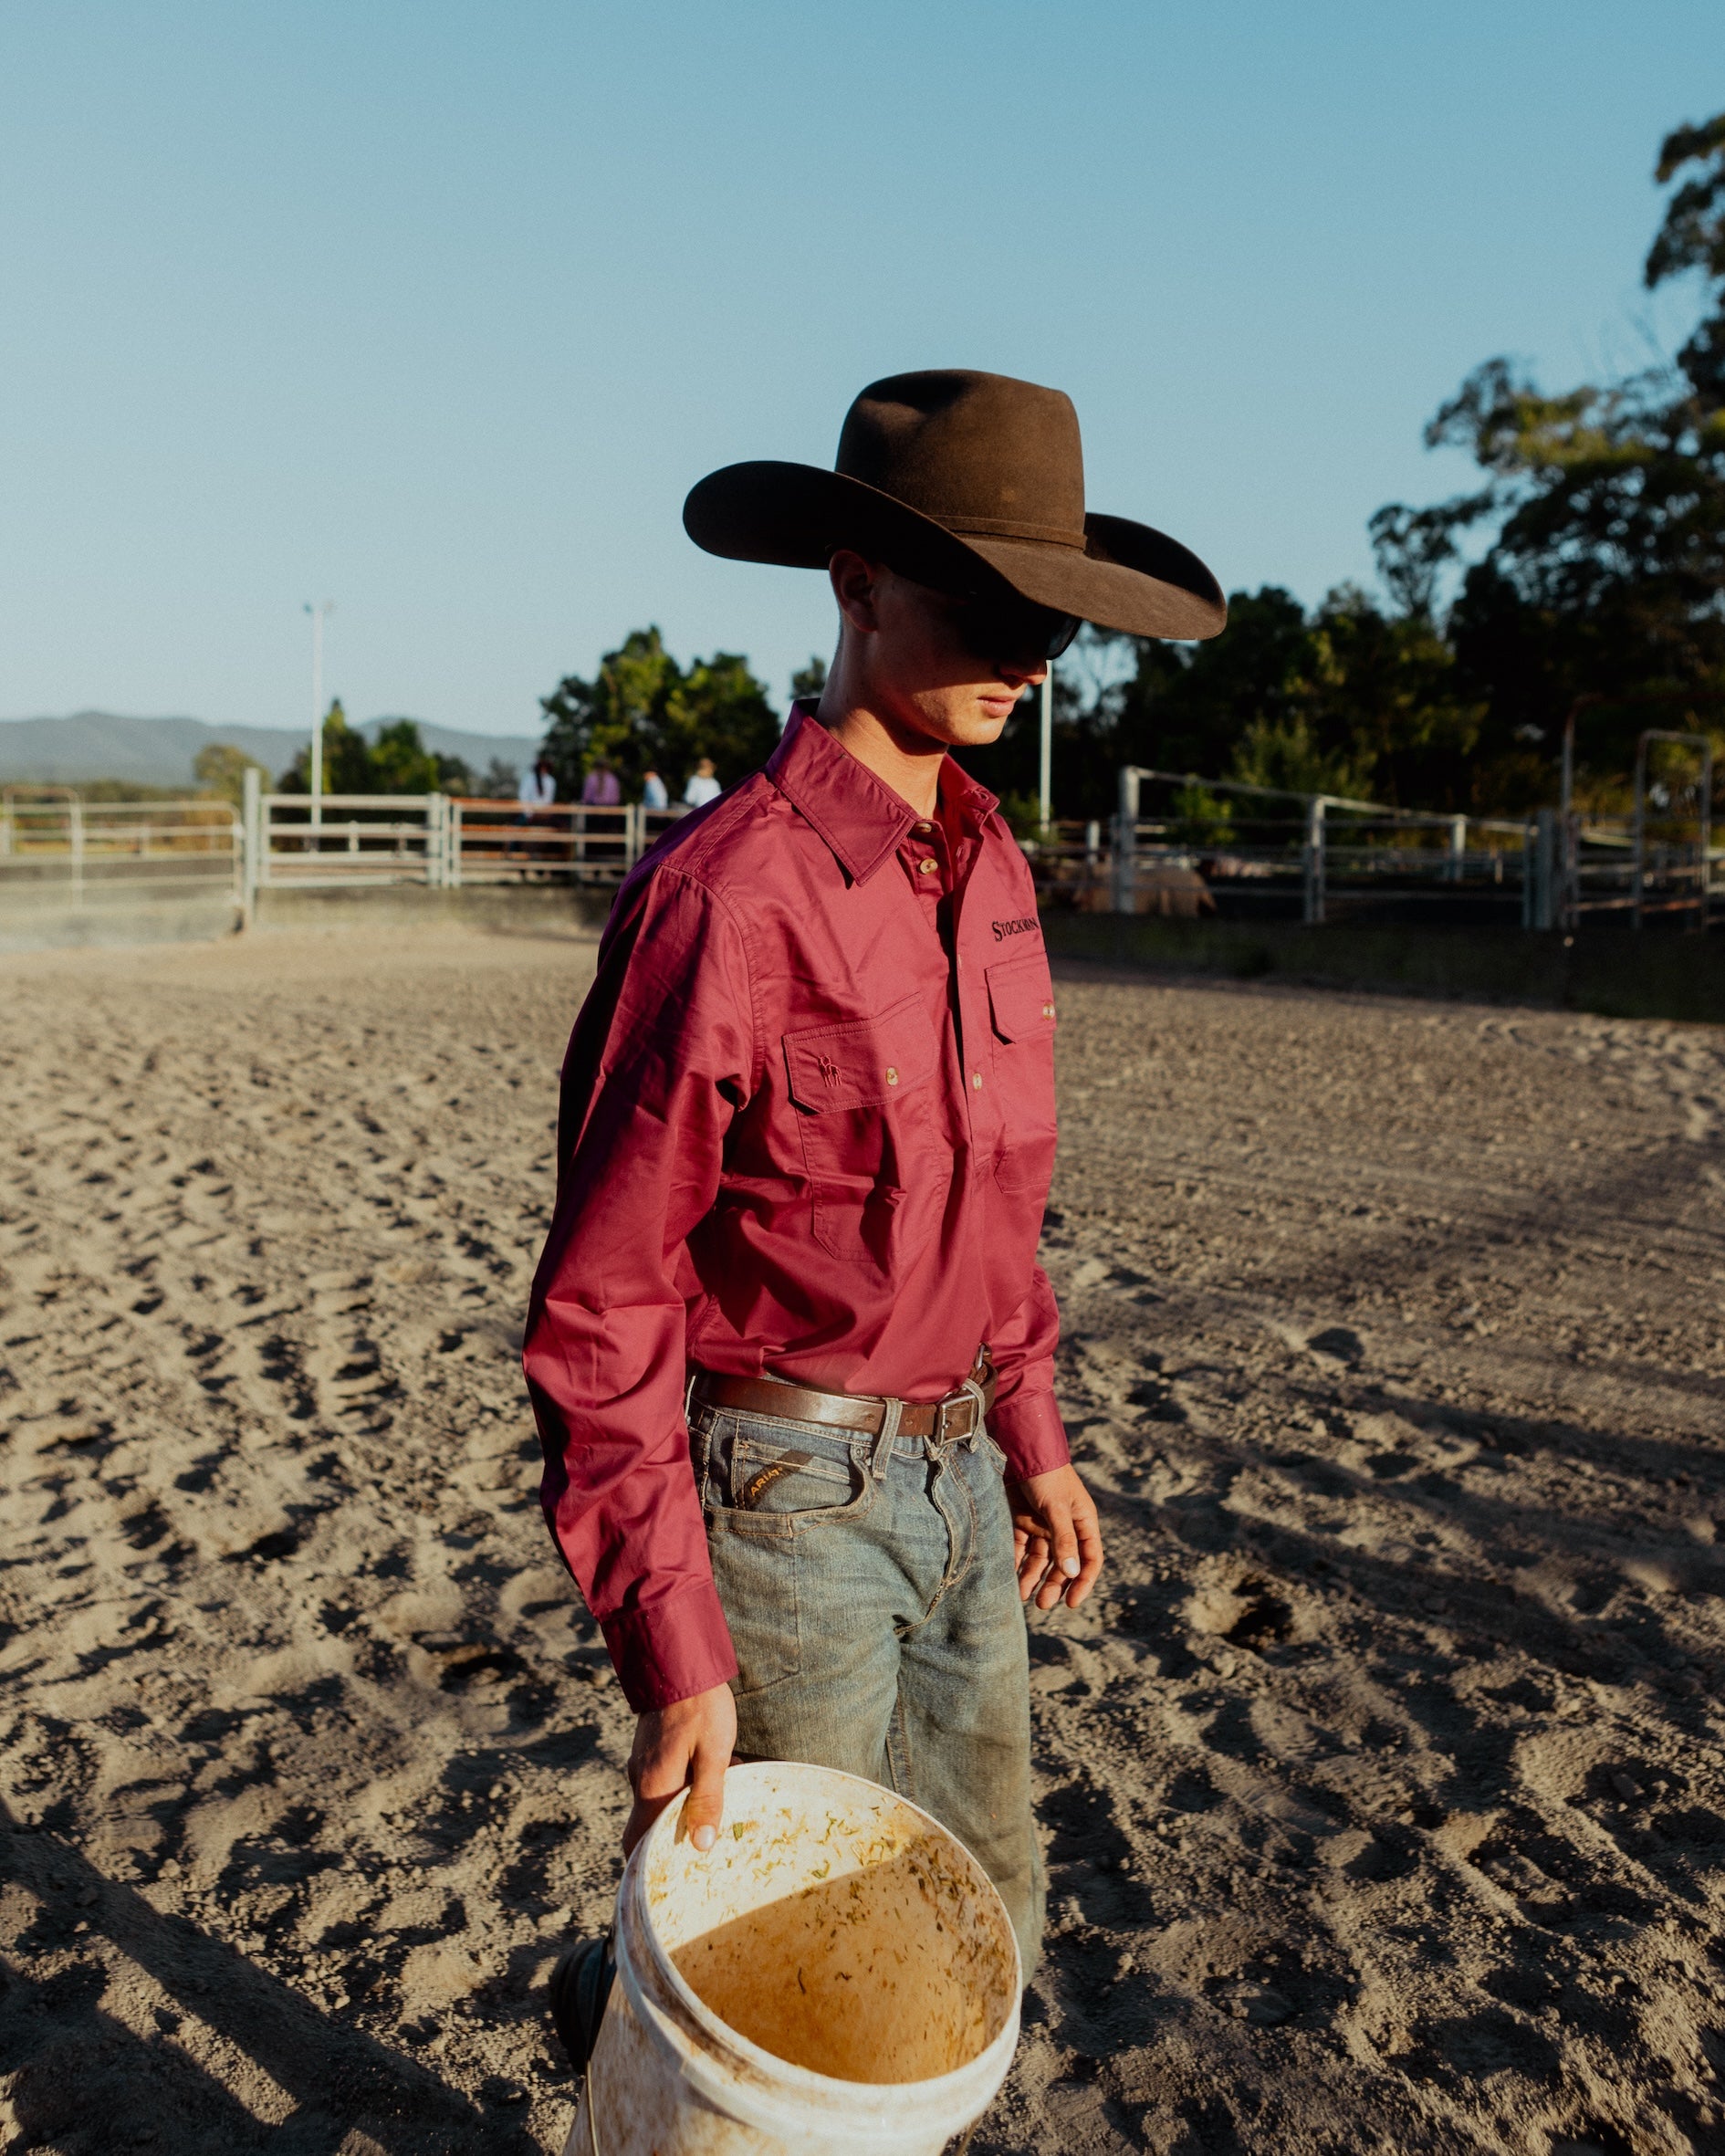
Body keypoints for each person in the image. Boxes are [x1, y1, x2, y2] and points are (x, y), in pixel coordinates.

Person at [526, 371, 1225, 2044]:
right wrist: (672, 1634)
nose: (1032, 651)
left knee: (974, 1916)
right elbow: (603, 1301)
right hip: (783, 1502)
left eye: (1055, 615)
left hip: (964, 1479)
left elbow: (997, 1206)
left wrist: (1035, 1426)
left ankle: (627, 2003)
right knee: (786, 1964)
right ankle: (640, 2025)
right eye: (987, 602)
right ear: (852, 579)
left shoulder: (990, 870)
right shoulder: (727, 899)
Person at [509, 753, 557, 864]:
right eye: (542, 767)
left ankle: (556, 859)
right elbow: (523, 797)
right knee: (516, 830)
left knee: (560, 830)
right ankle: (513, 854)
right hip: (529, 813)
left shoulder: (550, 781)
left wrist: (545, 812)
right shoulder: (529, 779)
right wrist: (529, 813)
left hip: (544, 814)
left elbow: (549, 800)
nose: (543, 769)